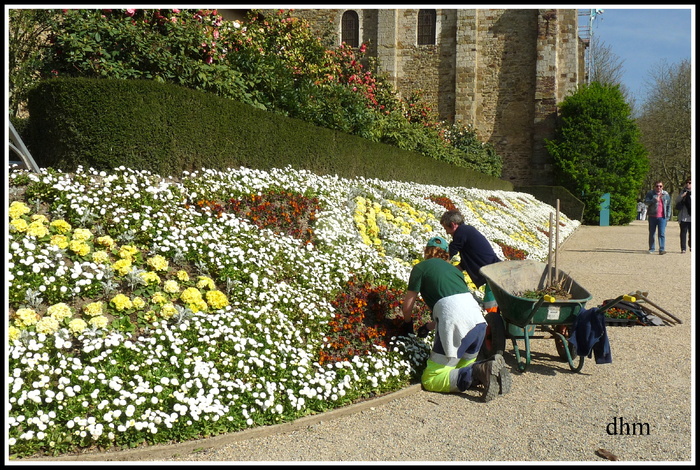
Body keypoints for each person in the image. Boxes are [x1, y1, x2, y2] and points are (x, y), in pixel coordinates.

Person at [401, 236, 511, 402]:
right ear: (446, 254)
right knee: (458, 369)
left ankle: (480, 371)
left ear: (426, 251)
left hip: (455, 325)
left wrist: (407, 323)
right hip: (478, 322)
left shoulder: (421, 268)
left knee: (431, 378)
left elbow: (408, 305)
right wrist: (428, 327)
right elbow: (455, 305)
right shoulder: (454, 271)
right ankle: (484, 371)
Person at [440, 210, 501, 312]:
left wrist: (439, 269)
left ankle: (492, 325)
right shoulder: (467, 232)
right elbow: (466, 263)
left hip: (493, 274)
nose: (446, 232)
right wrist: (450, 271)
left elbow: (451, 252)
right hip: (495, 271)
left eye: (446, 228)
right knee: (493, 305)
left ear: (453, 225)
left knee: (491, 308)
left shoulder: (461, 232)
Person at [644, 180, 672, 254]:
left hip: (662, 217)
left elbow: (669, 206)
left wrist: (668, 217)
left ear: (662, 187)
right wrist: (653, 200)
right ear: (654, 187)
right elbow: (646, 202)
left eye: (660, 186)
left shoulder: (666, 194)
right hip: (652, 216)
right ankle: (652, 248)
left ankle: (662, 249)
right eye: (657, 186)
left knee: (662, 233)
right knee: (652, 233)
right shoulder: (650, 194)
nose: (658, 187)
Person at [676, 179, 691, 253]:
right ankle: (683, 248)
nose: (688, 184)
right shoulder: (683, 191)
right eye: (687, 183)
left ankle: (691, 246)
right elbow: (677, 200)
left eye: (690, 183)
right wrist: (682, 196)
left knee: (692, 234)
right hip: (683, 217)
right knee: (683, 233)